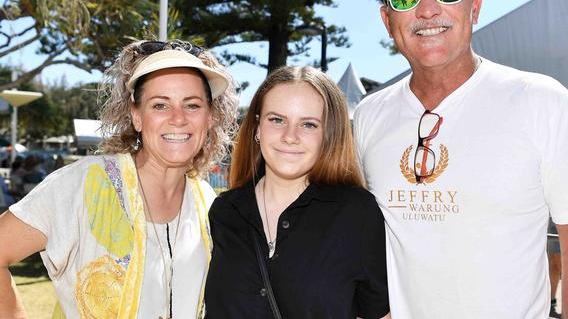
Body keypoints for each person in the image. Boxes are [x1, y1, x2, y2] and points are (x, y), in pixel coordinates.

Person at [353, 0, 568, 317]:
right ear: (387, 20)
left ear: (474, 6)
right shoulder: (368, 116)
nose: (427, 9)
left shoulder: (540, 101)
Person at [0, 39, 238, 318]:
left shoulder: (206, 201)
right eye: (160, 105)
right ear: (136, 116)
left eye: (193, 105)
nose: (178, 118)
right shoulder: (83, 184)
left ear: (209, 117)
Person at [204, 66, 390, 319]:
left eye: (309, 125)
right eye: (277, 120)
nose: (290, 136)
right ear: (258, 127)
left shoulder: (357, 214)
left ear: (328, 135)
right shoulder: (224, 211)